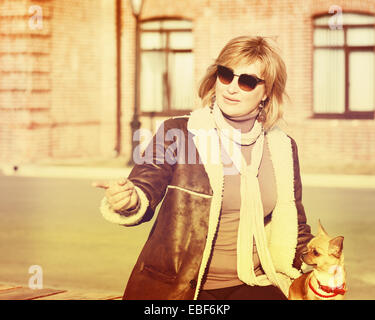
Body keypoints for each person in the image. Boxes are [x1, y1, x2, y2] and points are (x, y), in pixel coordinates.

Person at [93, 36, 313, 300]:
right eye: (226, 75)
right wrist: (129, 198)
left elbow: (295, 226)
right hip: (183, 287)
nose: (232, 88)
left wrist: (322, 257)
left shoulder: (282, 147)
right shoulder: (178, 132)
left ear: (266, 92)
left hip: (255, 281)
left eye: (247, 81)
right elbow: (144, 187)